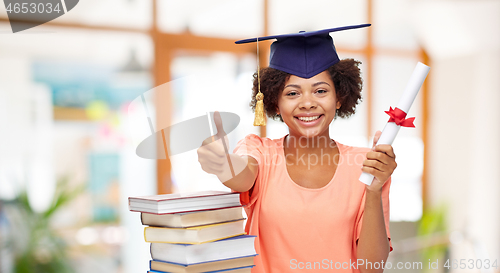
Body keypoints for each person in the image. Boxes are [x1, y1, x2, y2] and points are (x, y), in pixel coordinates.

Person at [197, 24, 397, 273]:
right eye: (292, 93)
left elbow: (372, 268)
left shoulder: (367, 165)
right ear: (274, 103)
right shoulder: (260, 151)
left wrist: (374, 190)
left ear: (339, 97)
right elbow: (243, 176)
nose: (308, 103)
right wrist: (223, 164)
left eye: (320, 91)